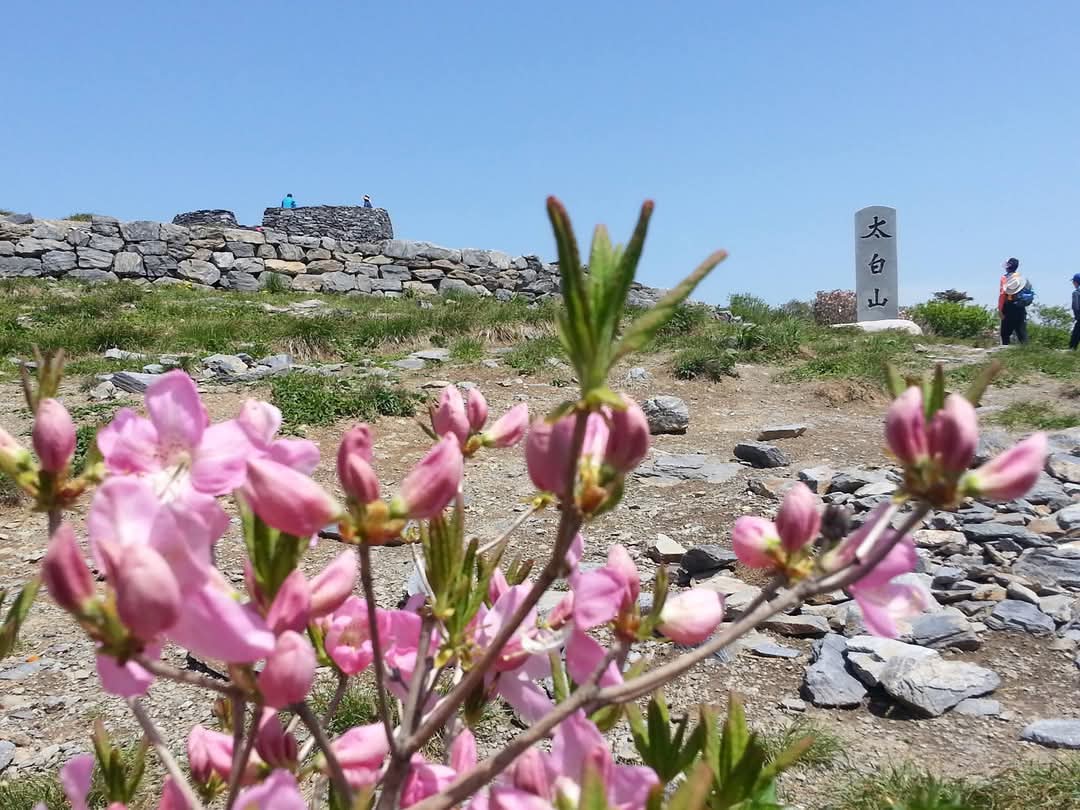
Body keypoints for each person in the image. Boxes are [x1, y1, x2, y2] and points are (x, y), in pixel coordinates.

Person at [998, 257, 1030, 345]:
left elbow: (1002, 294)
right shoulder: (1022, 277)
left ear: (1008, 267)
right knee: (1021, 331)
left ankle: (1005, 352)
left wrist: (1000, 309)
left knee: (1005, 333)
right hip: (1020, 306)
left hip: (1009, 306)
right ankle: (1027, 352)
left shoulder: (1004, 278)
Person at [1071, 273, 1080, 351]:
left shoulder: (1076, 293)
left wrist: (1077, 317)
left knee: (1075, 336)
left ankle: (1072, 350)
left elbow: (1076, 306)